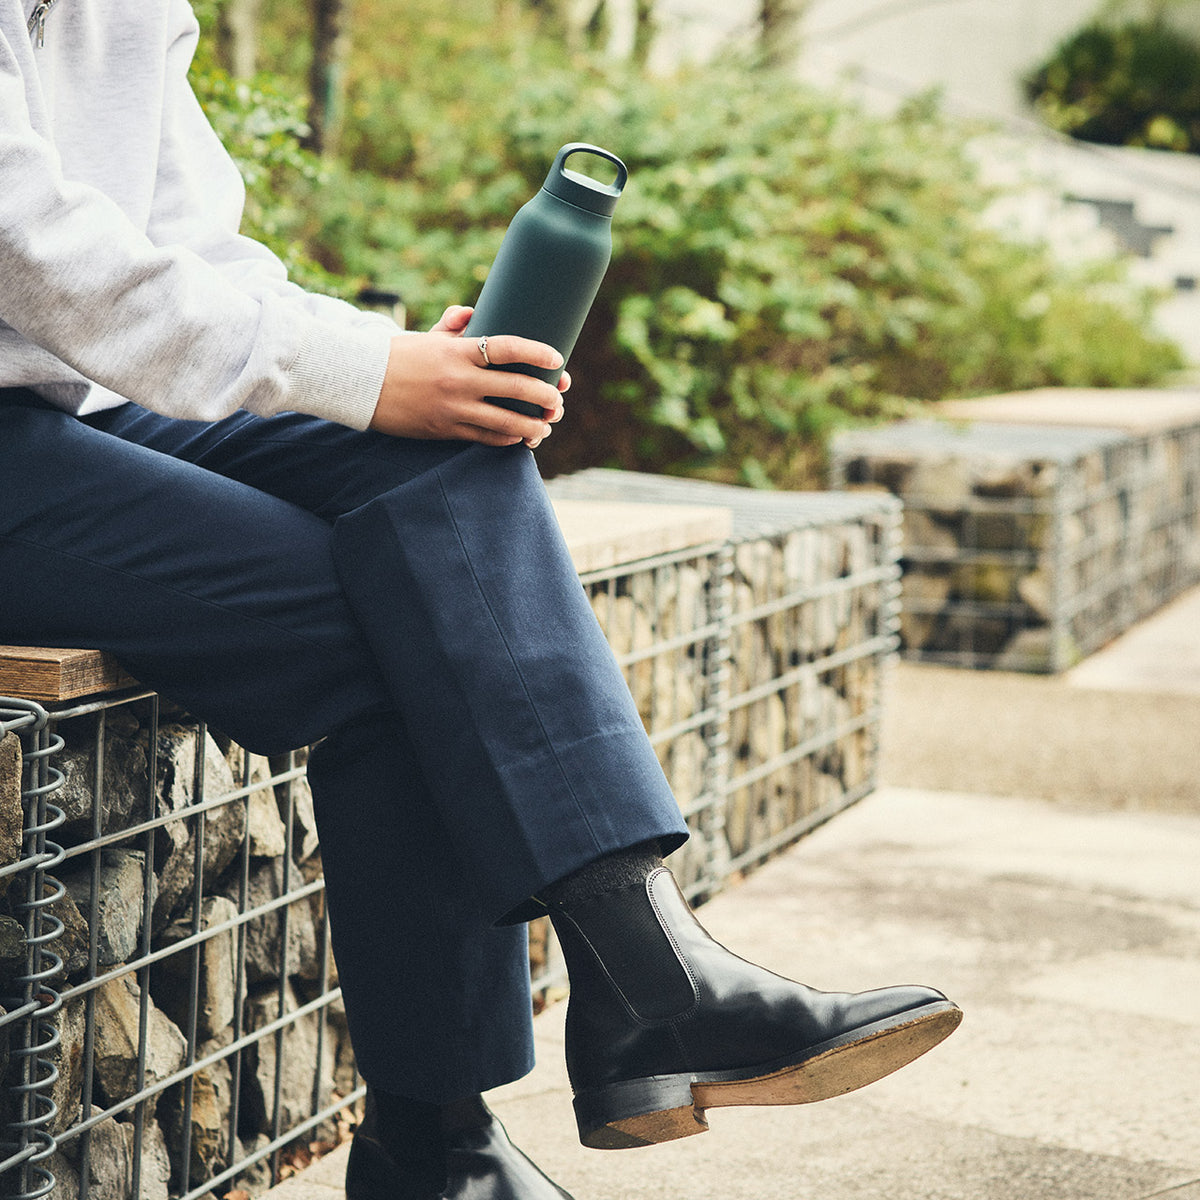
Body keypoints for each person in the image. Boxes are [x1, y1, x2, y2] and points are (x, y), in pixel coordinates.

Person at [0, 2, 962, 1197]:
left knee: (447, 455)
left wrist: (403, 370)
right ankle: (441, 1145)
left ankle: (639, 963)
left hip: (73, 408)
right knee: (392, 617)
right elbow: (26, 245)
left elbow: (194, 248)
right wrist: (368, 375)